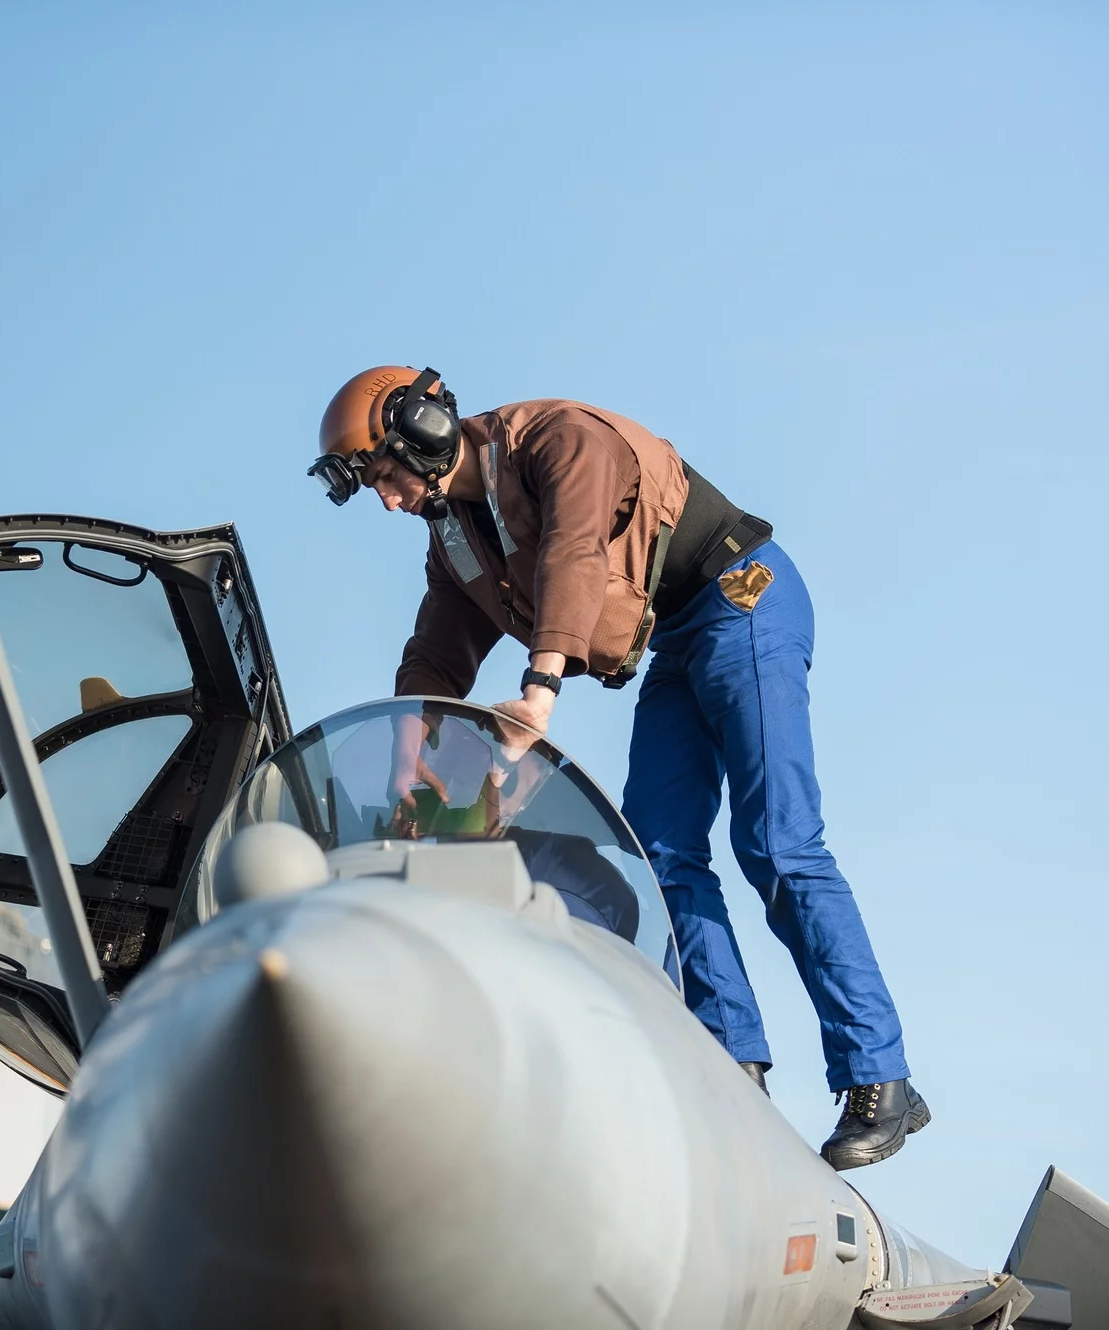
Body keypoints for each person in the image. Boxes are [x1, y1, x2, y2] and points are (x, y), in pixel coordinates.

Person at [310, 365, 928, 1170]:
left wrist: (539, 691)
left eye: (387, 475)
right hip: (681, 642)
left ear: (424, 431)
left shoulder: (559, 441)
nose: (388, 500)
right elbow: (435, 648)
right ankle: (731, 1062)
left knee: (777, 843)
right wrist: (406, 753)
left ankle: (880, 1076)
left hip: (743, 599)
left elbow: (572, 549)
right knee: (664, 853)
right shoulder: (455, 533)